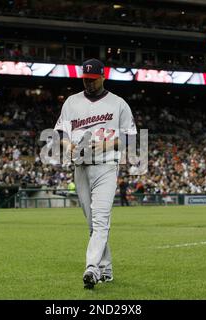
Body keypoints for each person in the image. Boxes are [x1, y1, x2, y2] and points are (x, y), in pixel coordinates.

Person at [54, 58, 137, 289]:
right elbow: (59, 132)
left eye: (92, 79)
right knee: (92, 223)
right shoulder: (71, 102)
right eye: (85, 79)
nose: (88, 83)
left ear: (103, 77)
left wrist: (106, 146)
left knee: (100, 219)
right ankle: (106, 268)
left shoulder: (118, 103)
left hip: (106, 166)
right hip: (80, 167)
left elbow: (131, 136)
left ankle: (92, 268)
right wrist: (68, 145)